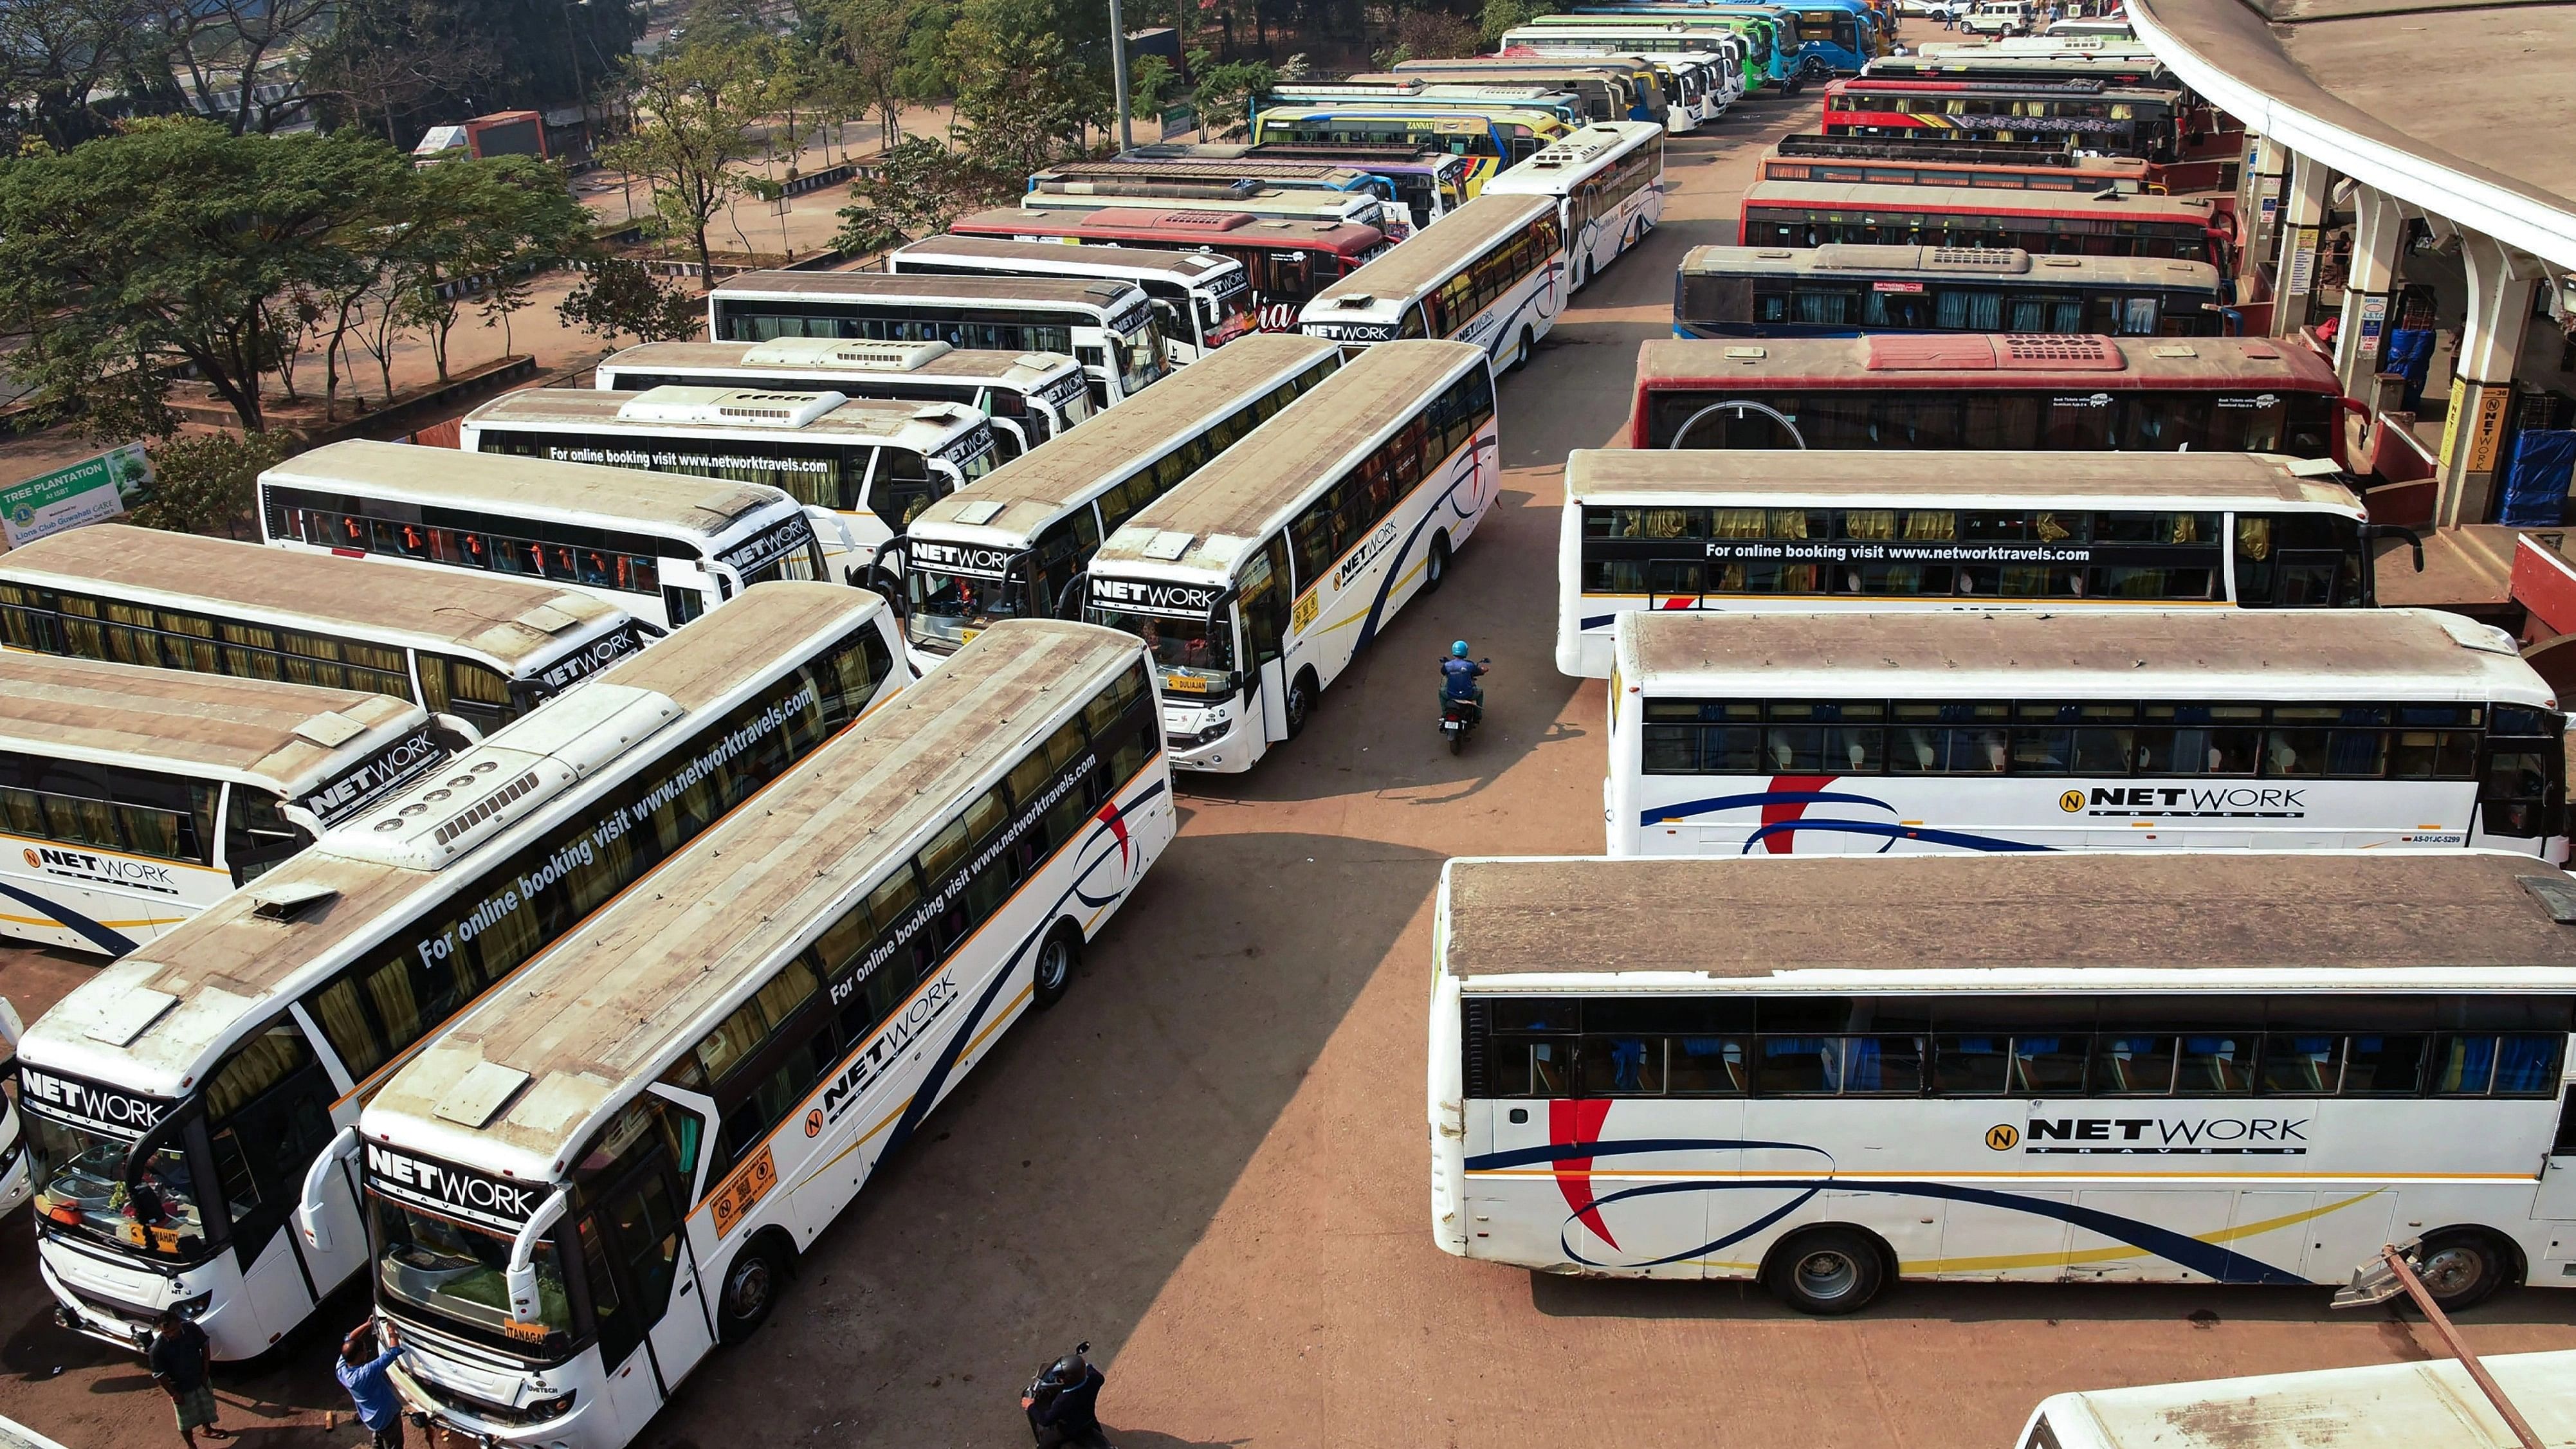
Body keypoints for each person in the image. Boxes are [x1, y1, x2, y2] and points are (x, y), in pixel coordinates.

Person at [148, 1306, 228, 1448]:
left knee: (206, 1407)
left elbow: (204, 1346)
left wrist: (205, 1372)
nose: (171, 1335)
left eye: (173, 1330)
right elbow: (160, 1375)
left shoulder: (191, 1329)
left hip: (199, 1378)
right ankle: (192, 1446)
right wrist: (174, 1394)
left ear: (180, 1324)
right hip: (181, 1387)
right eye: (166, 1332)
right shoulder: (157, 1349)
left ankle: (207, 1430)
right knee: (185, 1421)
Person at [337, 1321, 409, 1449]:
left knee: (378, 1440)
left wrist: (367, 1324)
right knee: (394, 1444)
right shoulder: (366, 1374)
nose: (367, 1352)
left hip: (372, 1419)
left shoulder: (341, 1369)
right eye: (365, 1350)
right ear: (360, 1355)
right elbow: (394, 1352)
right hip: (387, 1418)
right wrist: (392, 1332)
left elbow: (350, 1339)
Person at [1033, 1346, 1110, 1448]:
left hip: (1067, 1430)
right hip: (1088, 1419)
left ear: (1069, 1380)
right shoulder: (1094, 1379)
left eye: (1061, 1378)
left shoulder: (1064, 1400)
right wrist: (1079, 1366)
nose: (1059, 1379)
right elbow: (1097, 1375)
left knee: (1044, 1445)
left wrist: (1030, 1406)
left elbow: (1045, 1420)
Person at [1439, 641, 1487, 709]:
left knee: (1441, 692)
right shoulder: (1470, 665)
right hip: (1468, 695)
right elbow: (1478, 671)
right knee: (1480, 692)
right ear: (1465, 651)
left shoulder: (1447, 665)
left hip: (1451, 695)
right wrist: (1484, 670)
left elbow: (1443, 672)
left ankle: (1444, 712)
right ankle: (1478, 716)